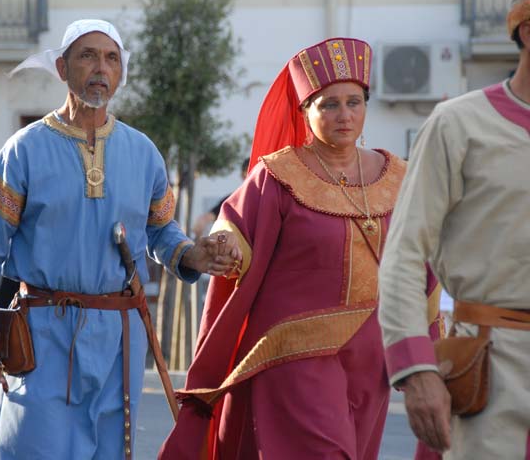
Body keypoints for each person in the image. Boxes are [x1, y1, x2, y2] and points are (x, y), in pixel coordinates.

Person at [0, 19, 236, 460]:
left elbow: (161, 231)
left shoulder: (143, 152)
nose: (100, 68)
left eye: (111, 58)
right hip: (42, 332)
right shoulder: (23, 149)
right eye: (88, 56)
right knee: (33, 448)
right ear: (63, 68)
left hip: (120, 336)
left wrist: (193, 255)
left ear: (121, 73)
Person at [159, 38, 443, 459]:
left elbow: (421, 258)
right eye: (328, 104)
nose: (344, 115)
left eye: (354, 102)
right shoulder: (277, 175)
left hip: (371, 355)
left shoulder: (399, 175)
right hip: (295, 354)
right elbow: (234, 227)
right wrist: (225, 247)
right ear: (305, 110)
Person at [377, 0, 530, 459]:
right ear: (526, 30)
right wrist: (416, 369)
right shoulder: (458, 125)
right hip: (493, 371)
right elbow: (403, 253)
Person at [191, 157, 249, 238]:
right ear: (243, 176)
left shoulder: (267, 200)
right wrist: (201, 222)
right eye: (250, 173)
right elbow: (209, 217)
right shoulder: (232, 200)